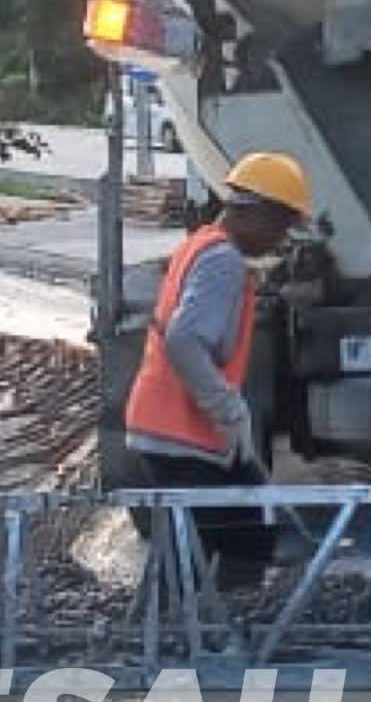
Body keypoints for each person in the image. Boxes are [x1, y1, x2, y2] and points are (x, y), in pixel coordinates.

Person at [123, 152, 314, 586]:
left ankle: (206, 625)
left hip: (170, 429)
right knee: (236, 538)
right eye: (281, 224)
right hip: (181, 432)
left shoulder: (202, 244)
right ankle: (211, 632)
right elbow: (184, 340)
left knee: (236, 535)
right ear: (256, 212)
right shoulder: (222, 261)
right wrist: (226, 406)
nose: (281, 239)